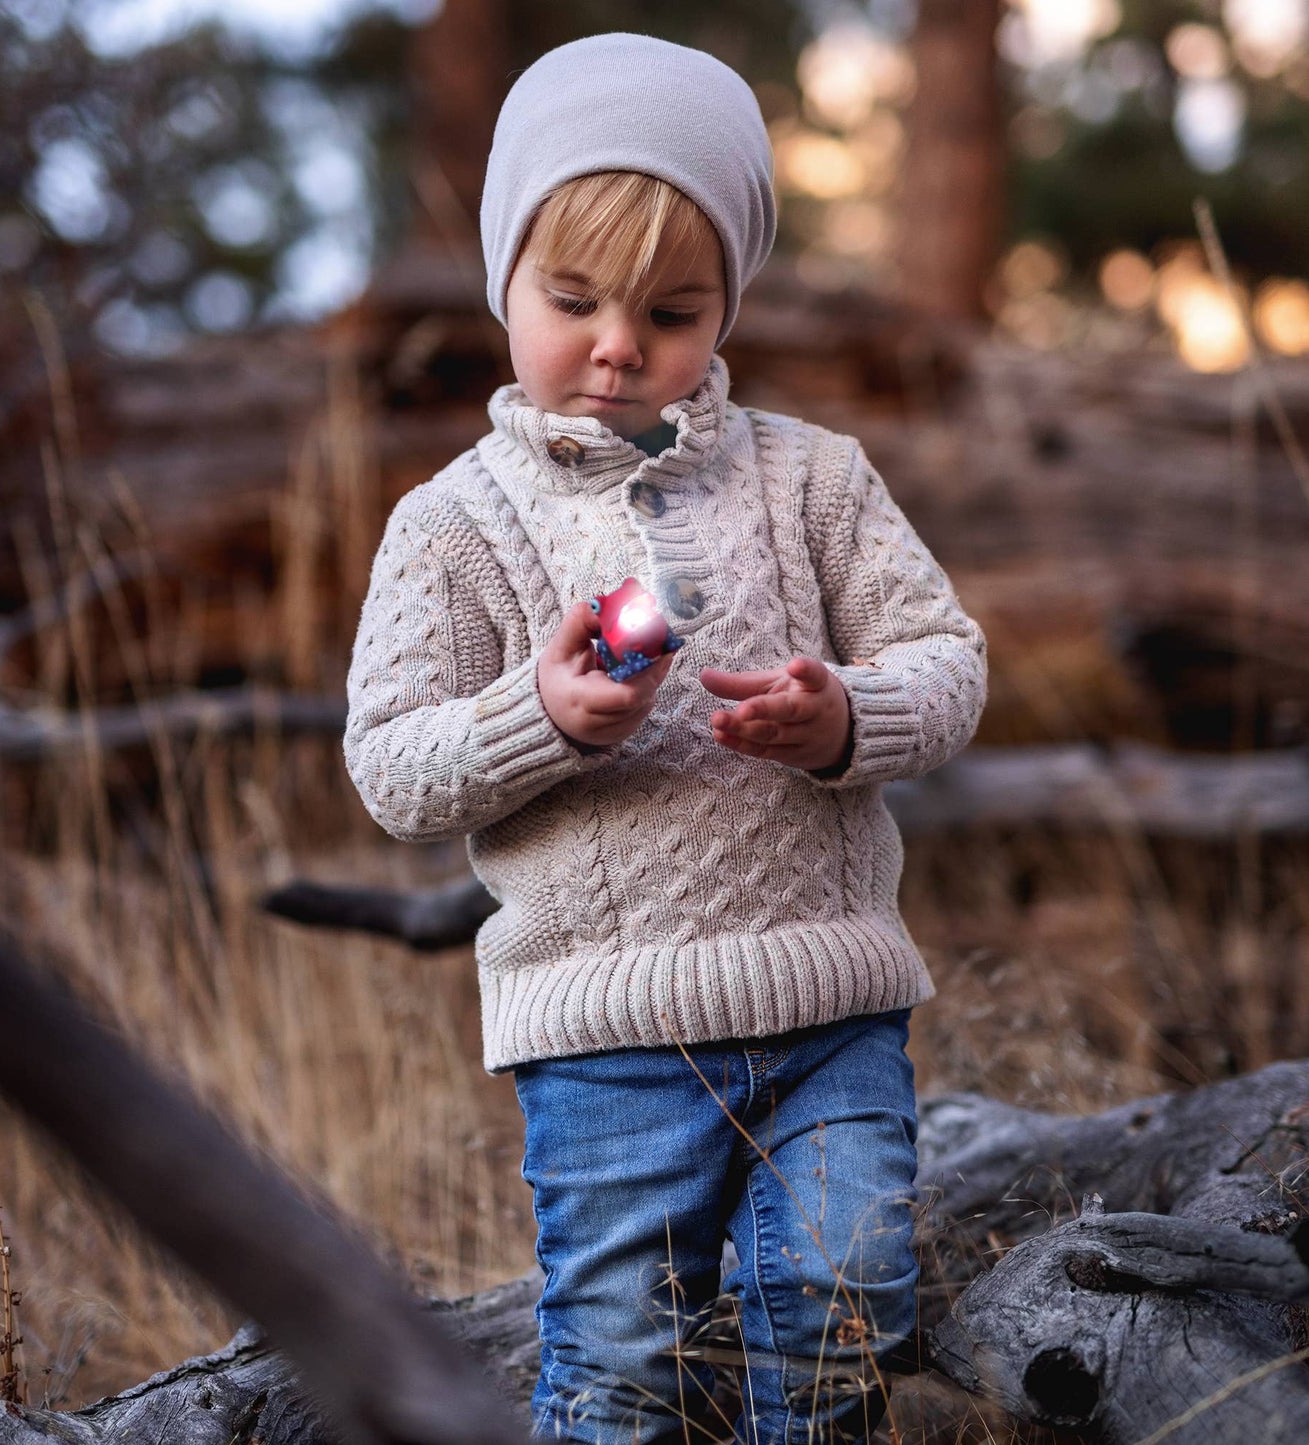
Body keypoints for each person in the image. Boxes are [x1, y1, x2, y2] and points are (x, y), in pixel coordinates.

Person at [345, 31, 987, 1445]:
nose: (619, 344)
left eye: (674, 312)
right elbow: (390, 764)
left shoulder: (812, 477)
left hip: (828, 1014)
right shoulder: (451, 524)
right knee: (624, 1365)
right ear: (503, 276)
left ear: (727, 309)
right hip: (604, 1043)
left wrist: (844, 717)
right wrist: (542, 716)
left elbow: (948, 663)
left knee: (833, 1316)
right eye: (570, 298)